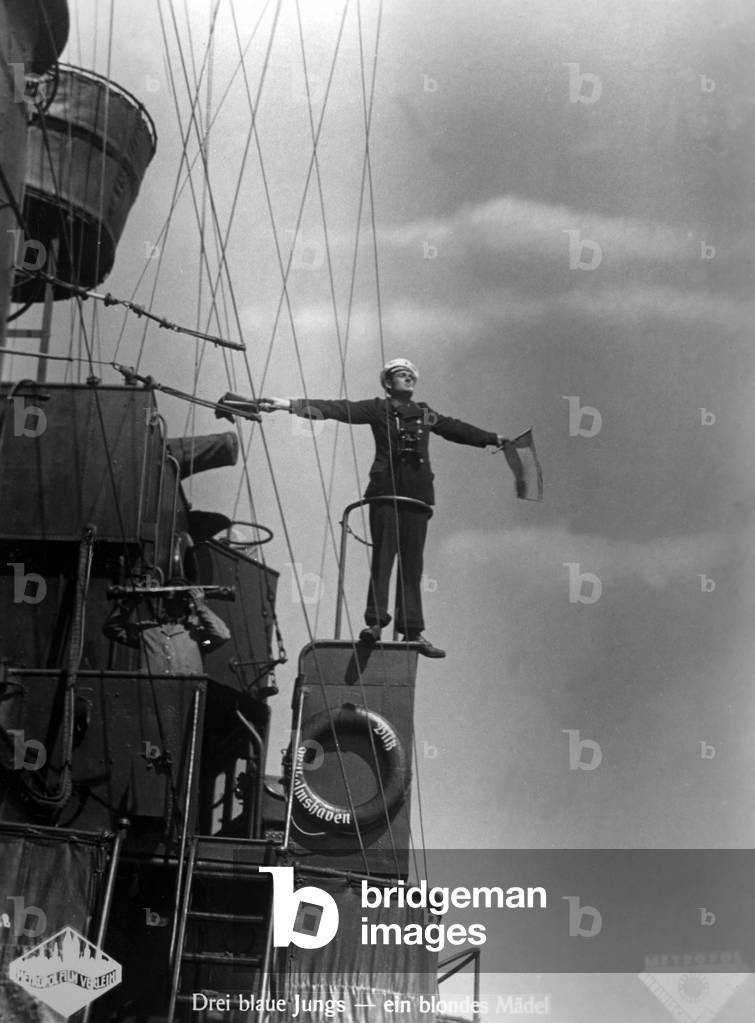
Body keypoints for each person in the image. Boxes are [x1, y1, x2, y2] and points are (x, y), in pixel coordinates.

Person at [260, 358, 506, 658]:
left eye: (411, 375)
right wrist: (289, 405)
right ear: (388, 383)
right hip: (385, 493)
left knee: (412, 565)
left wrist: (492, 439)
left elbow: (455, 428)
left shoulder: (424, 414)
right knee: (383, 559)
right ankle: (375, 623)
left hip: (417, 497)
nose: (409, 378)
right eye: (402, 375)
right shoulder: (378, 409)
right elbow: (339, 409)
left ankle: (412, 630)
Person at [103, 582, 230, 675]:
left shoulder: (200, 639)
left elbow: (222, 635)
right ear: (164, 601)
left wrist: (201, 606)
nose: (175, 603)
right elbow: (112, 628)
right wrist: (131, 602)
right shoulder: (146, 631)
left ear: (187, 603)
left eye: (180, 599)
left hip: (186, 697)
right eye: (171, 598)